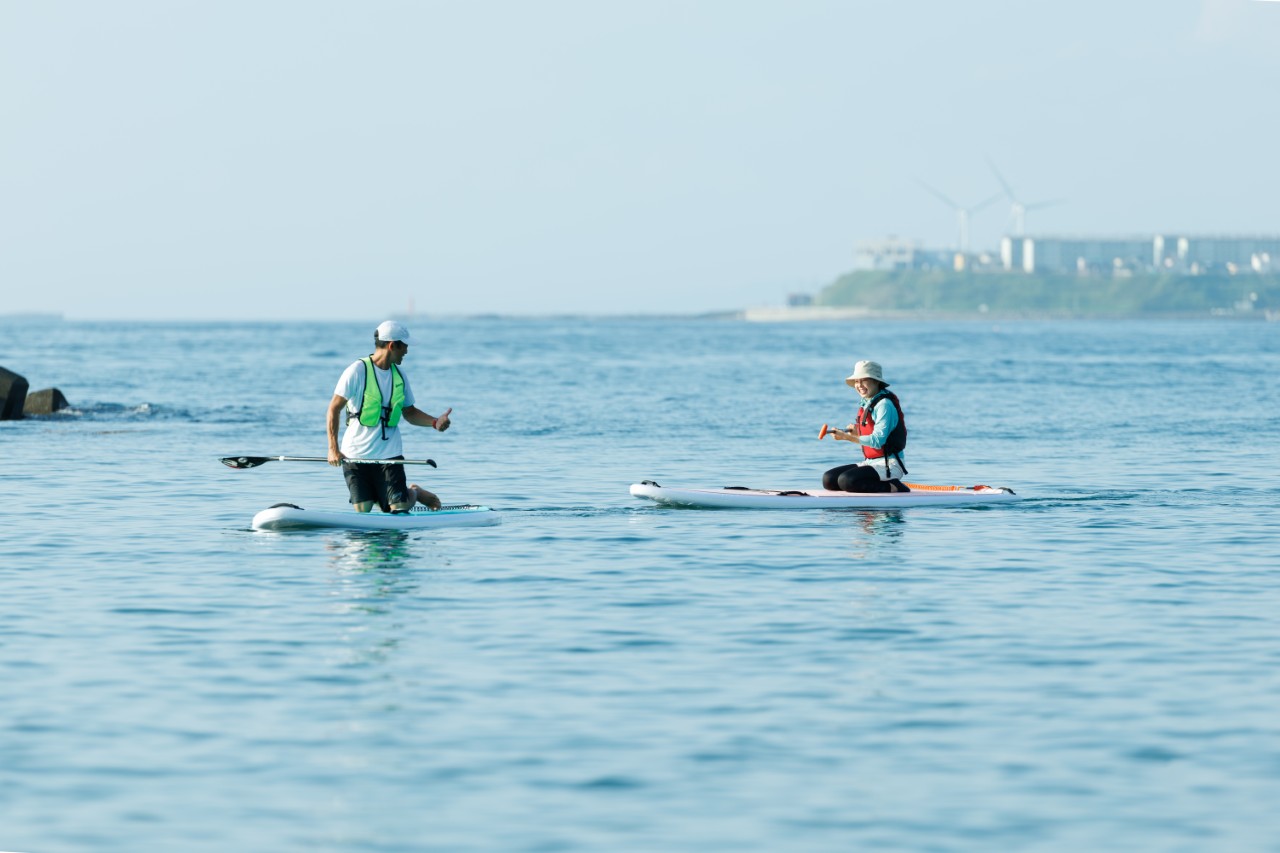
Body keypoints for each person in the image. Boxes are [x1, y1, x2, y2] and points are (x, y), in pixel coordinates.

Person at [327, 320, 452, 513]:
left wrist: (435, 422)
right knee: (363, 510)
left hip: (389, 454)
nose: (407, 351)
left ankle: (414, 493)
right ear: (393, 345)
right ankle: (388, 494)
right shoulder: (356, 371)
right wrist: (333, 449)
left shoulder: (400, 375)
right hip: (355, 455)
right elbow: (333, 409)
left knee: (399, 510)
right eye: (405, 346)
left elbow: (410, 412)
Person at [822, 360, 910, 493]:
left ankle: (894, 486)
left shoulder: (884, 405)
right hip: (870, 462)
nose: (859, 385)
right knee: (828, 479)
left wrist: (846, 437)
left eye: (864, 380)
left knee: (847, 481)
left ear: (876, 381)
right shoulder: (867, 403)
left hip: (890, 465)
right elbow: (870, 434)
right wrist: (856, 433)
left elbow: (878, 441)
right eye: (857, 381)